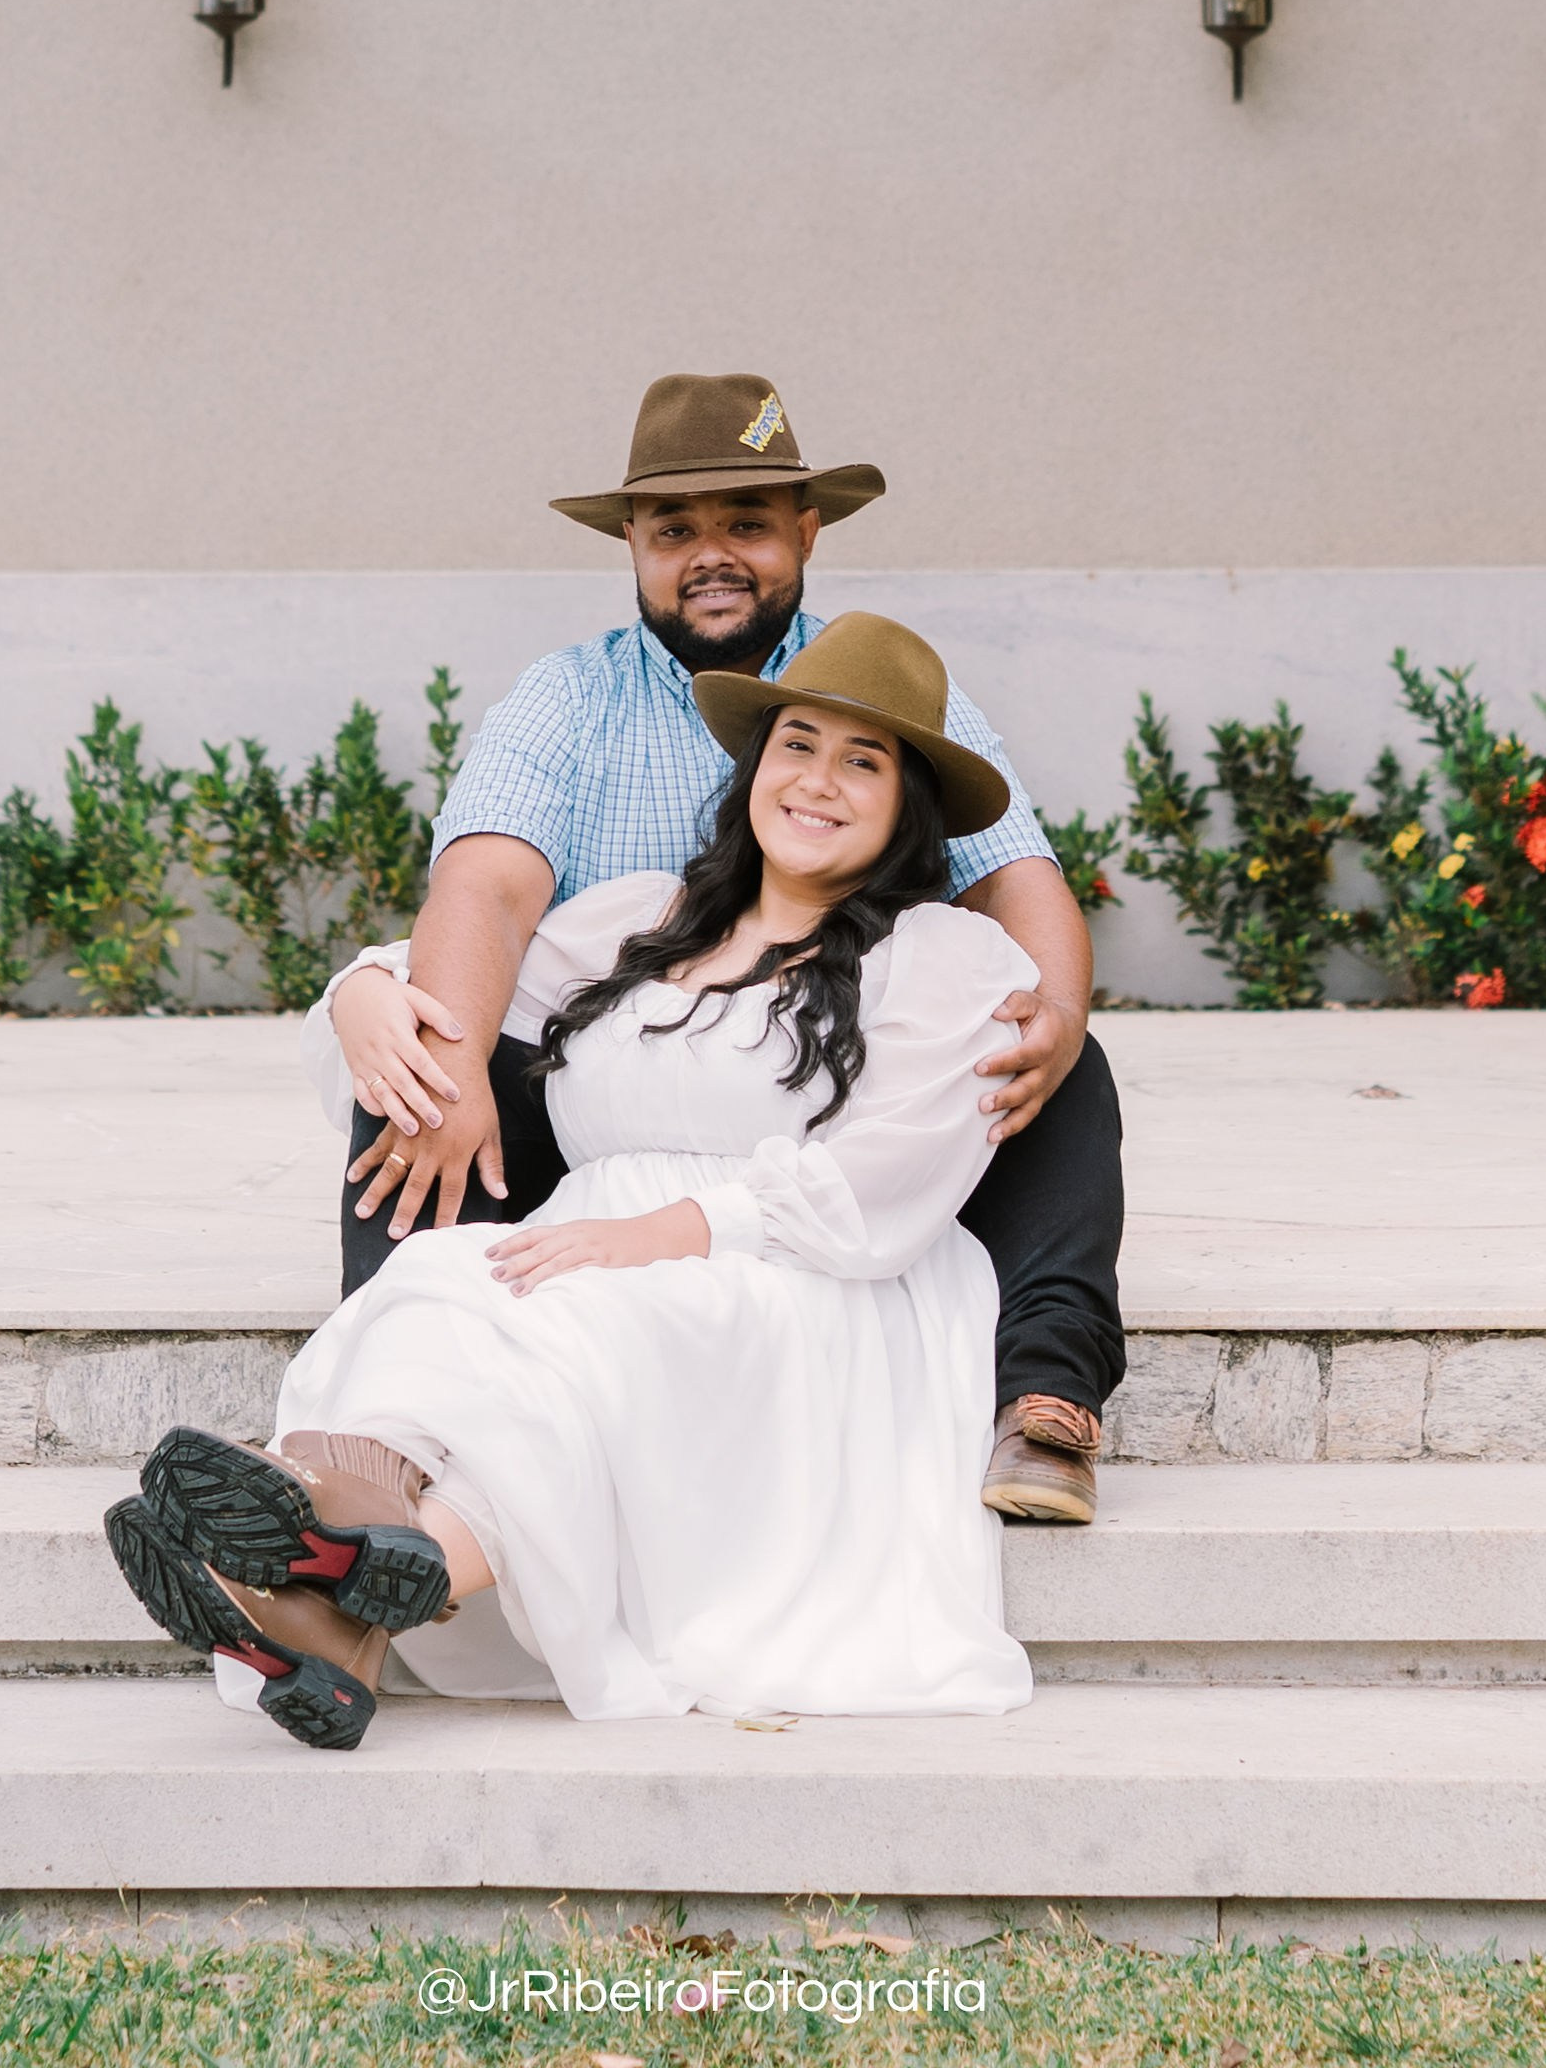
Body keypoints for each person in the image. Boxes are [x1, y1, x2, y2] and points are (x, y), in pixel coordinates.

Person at [103, 616, 1044, 1746]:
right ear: (756, 767)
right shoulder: (644, 920)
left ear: (908, 808)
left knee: (610, 1328)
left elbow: (887, 1183)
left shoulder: (945, 957)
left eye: (863, 762)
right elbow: (455, 978)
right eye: (797, 745)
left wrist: (663, 1233)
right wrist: (363, 991)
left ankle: (322, 1570)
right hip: (592, 1245)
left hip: (804, 1275)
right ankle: (343, 1569)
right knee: (445, 1282)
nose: (817, 781)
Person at [330, 372, 1124, 1522]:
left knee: (1048, 1050)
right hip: (622, 1087)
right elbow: (488, 890)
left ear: (806, 532)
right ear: (633, 546)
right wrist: (420, 1041)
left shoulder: (883, 684)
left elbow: (1014, 874)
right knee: (422, 1062)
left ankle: (1046, 1391)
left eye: (746, 524)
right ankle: (379, 1415)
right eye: (675, 531)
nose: (712, 556)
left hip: (820, 1091)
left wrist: (1054, 1011)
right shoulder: (571, 698)